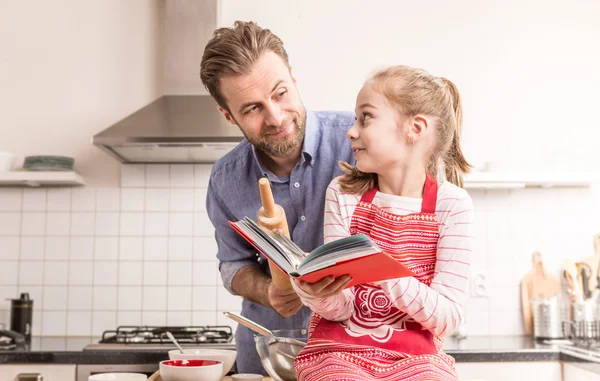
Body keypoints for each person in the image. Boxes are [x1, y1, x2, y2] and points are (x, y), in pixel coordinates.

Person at [291, 65, 474, 380]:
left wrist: (383, 271)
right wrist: (315, 292)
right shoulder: (343, 194)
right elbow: (343, 307)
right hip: (339, 356)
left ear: (414, 128)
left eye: (366, 118)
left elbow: (447, 318)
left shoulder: (451, 206)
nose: (351, 131)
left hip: (419, 361)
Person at [200, 21, 355, 374]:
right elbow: (232, 265)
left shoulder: (358, 143)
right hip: (265, 360)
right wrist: (268, 289)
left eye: (280, 93)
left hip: (353, 360)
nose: (275, 116)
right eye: (252, 109)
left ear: (294, 81)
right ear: (228, 115)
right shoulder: (225, 179)